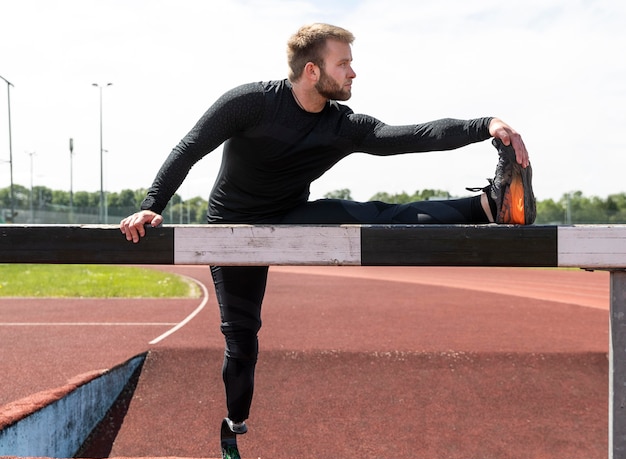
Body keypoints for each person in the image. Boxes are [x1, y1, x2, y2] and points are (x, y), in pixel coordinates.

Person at [120, 23, 535, 436]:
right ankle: (235, 426)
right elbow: (189, 148)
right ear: (313, 71)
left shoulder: (342, 125)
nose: (353, 73)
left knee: (379, 216)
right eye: (344, 64)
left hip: (291, 217)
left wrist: (486, 125)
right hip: (234, 229)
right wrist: (150, 208)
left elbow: (412, 135)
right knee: (242, 340)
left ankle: (488, 204)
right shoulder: (251, 102)